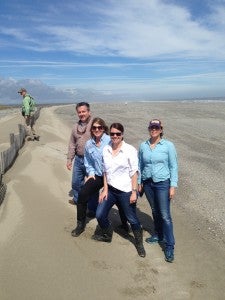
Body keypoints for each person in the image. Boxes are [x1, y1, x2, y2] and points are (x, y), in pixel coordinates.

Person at [93, 123, 146, 258]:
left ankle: (139, 243)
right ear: (109, 135)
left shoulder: (130, 150)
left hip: (125, 191)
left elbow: (134, 173)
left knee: (132, 218)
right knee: (99, 214)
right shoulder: (106, 149)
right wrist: (104, 189)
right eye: (112, 134)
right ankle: (107, 233)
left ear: (122, 134)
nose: (115, 136)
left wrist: (134, 192)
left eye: (118, 134)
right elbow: (105, 171)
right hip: (110, 190)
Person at [71, 118, 128, 237]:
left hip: (112, 177)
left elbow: (122, 152)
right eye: (94, 128)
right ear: (91, 129)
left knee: (120, 201)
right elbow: (88, 161)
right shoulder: (89, 144)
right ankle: (80, 224)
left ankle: (124, 225)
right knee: (82, 194)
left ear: (104, 128)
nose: (97, 130)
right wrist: (90, 173)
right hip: (97, 175)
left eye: (100, 127)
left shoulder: (110, 140)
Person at [138, 119, 178, 263]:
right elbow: (140, 164)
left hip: (163, 183)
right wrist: (139, 182)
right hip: (148, 183)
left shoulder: (168, 146)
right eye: (151, 127)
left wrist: (172, 186)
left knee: (165, 215)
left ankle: (169, 246)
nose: (153, 129)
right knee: (155, 210)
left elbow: (174, 166)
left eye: (156, 127)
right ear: (149, 129)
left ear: (161, 129)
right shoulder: (143, 145)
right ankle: (159, 234)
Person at [66, 102, 97, 215]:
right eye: (79, 112)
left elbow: (104, 139)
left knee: (92, 186)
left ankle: (93, 209)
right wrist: (69, 159)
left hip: (92, 161)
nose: (81, 114)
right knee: (75, 183)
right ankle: (78, 200)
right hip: (78, 159)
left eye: (84, 111)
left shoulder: (95, 124)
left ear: (89, 112)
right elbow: (72, 144)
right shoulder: (75, 126)